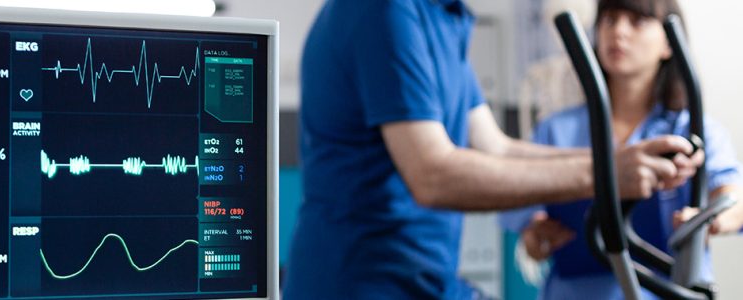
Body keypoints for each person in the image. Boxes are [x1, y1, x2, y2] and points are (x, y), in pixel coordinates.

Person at [283, 0, 704, 298]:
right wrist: (608, 174)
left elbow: (496, 148)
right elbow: (432, 175)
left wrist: (617, 163)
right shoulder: (385, 10)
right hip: (361, 282)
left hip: (424, 278)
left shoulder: (445, 15)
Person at [499, 0, 743, 299]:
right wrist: (537, 239)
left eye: (637, 21)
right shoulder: (556, 129)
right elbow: (528, 230)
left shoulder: (693, 129)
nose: (618, 32)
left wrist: (709, 219)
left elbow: (734, 199)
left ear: (669, 43)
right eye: (610, 20)